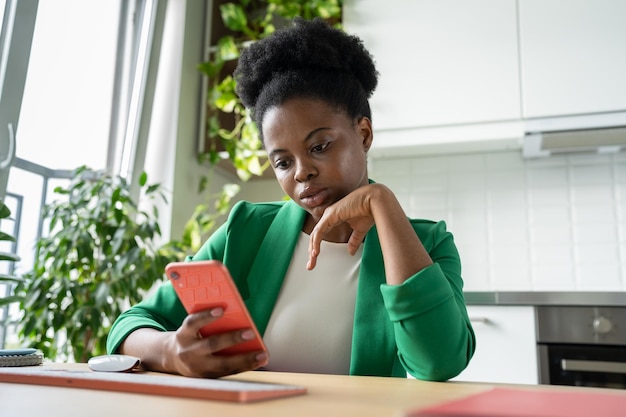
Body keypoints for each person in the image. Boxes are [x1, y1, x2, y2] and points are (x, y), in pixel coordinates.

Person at [106, 17, 475, 381]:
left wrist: (382, 202)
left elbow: (440, 362)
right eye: (282, 161)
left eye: (319, 146)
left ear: (363, 134)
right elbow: (129, 327)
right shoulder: (246, 231)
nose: (301, 173)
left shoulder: (427, 243)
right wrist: (171, 351)